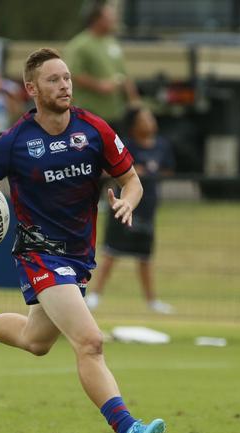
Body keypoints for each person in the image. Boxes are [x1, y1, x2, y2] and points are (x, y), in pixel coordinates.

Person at [0, 48, 165, 433]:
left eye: (68, 78)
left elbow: (132, 181)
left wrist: (127, 201)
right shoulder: (15, 141)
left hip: (77, 257)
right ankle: (130, 430)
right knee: (90, 342)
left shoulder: (93, 129)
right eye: (54, 79)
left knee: (35, 341)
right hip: (39, 252)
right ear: (32, 89)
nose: (65, 85)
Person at [85, 106, 175, 314]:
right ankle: (95, 295)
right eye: (144, 119)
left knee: (145, 256)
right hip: (123, 206)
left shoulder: (162, 145)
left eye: (151, 118)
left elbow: (169, 169)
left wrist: (155, 173)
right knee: (111, 253)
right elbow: (111, 169)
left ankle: (152, 301)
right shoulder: (126, 145)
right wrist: (136, 172)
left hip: (148, 207)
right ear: (134, 126)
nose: (150, 123)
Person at [64, 0, 140, 129]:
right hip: (90, 115)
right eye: (110, 17)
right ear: (96, 19)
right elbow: (73, 75)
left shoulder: (111, 42)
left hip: (115, 114)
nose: (114, 19)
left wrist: (134, 99)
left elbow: (123, 73)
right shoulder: (80, 45)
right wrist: (99, 85)